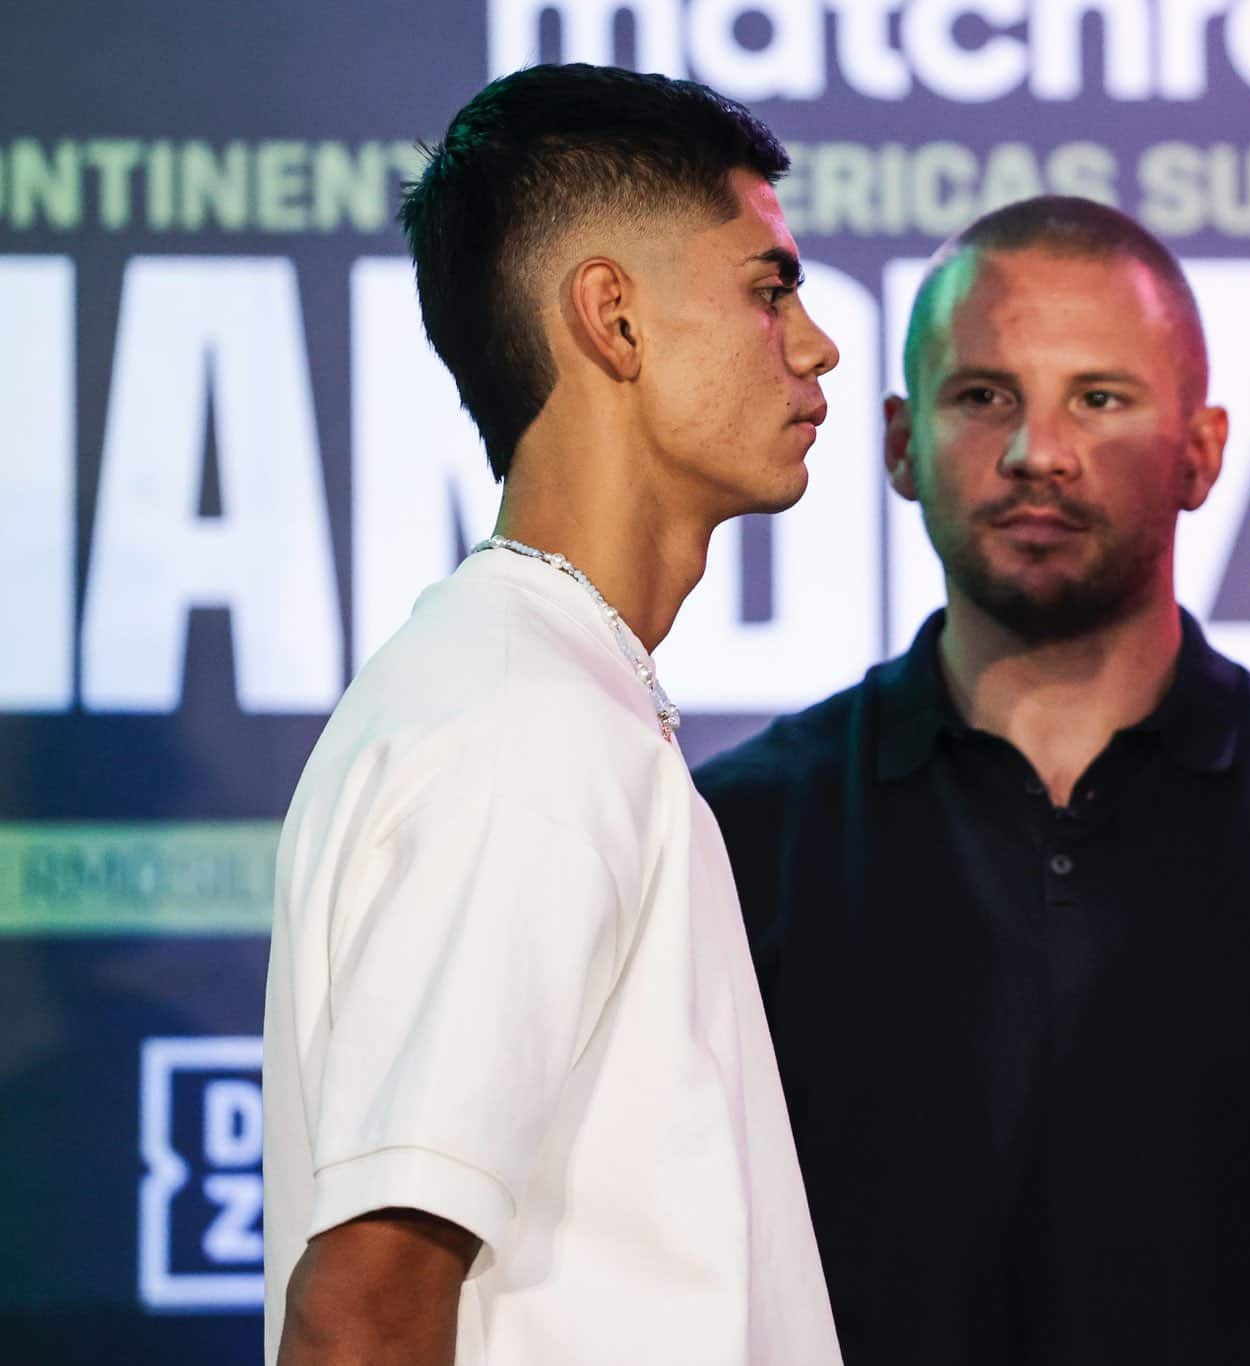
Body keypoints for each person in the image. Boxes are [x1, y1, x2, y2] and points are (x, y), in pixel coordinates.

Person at [693, 196, 1250, 1365]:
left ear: (1202, 451)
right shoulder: (731, 838)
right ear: (896, 442)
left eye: (1099, 396)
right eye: (982, 395)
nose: (1038, 450)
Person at [261, 65, 842, 1365]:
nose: (815, 342)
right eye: (769, 288)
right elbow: (363, 1309)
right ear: (613, 319)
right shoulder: (527, 728)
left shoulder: (544, 689)